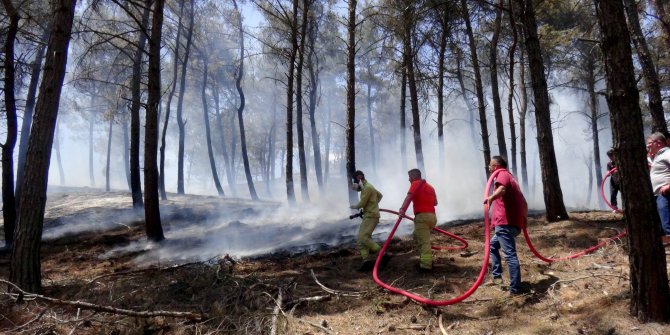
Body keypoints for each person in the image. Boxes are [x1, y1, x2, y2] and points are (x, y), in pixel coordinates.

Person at [484, 156, 529, 295]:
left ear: (496, 166)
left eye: (490, 165)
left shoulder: (501, 174)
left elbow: (502, 189)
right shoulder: (512, 179)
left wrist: (491, 197)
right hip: (513, 225)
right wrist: (524, 220)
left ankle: (516, 289)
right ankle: (497, 276)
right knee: (493, 245)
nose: (489, 168)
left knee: (510, 255)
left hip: (504, 223)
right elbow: (524, 203)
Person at [399, 168, 438, 273]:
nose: (409, 179)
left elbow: (408, 197)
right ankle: (426, 258)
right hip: (432, 217)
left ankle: (426, 266)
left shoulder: (415, 183)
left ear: (415, 176)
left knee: (423, 241)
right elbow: (435, 203)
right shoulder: (430, 187)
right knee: (417, 235)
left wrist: (402, 209)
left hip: (422, 217)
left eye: (410, 177)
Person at [349, 170, 388, 271]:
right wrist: (373, 204)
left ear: (359, 177)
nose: (354, 183)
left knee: (363, 237)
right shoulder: (368, 187)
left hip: (371, 216)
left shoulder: (367, 188)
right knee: (360, 239)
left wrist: (353, 206)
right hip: (369, 215)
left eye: (355, 180)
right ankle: (366, 261)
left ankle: (383, 255)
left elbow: (361, 203)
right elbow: (380, 195)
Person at [647, 132, 670, 239]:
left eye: (650, 143)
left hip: (666, 195)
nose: (648, 146)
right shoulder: (658, 156)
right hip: (658, 196)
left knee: (667, 226)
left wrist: (668, 186)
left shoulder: (667, 153)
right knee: (660, 228)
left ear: (659, 143)